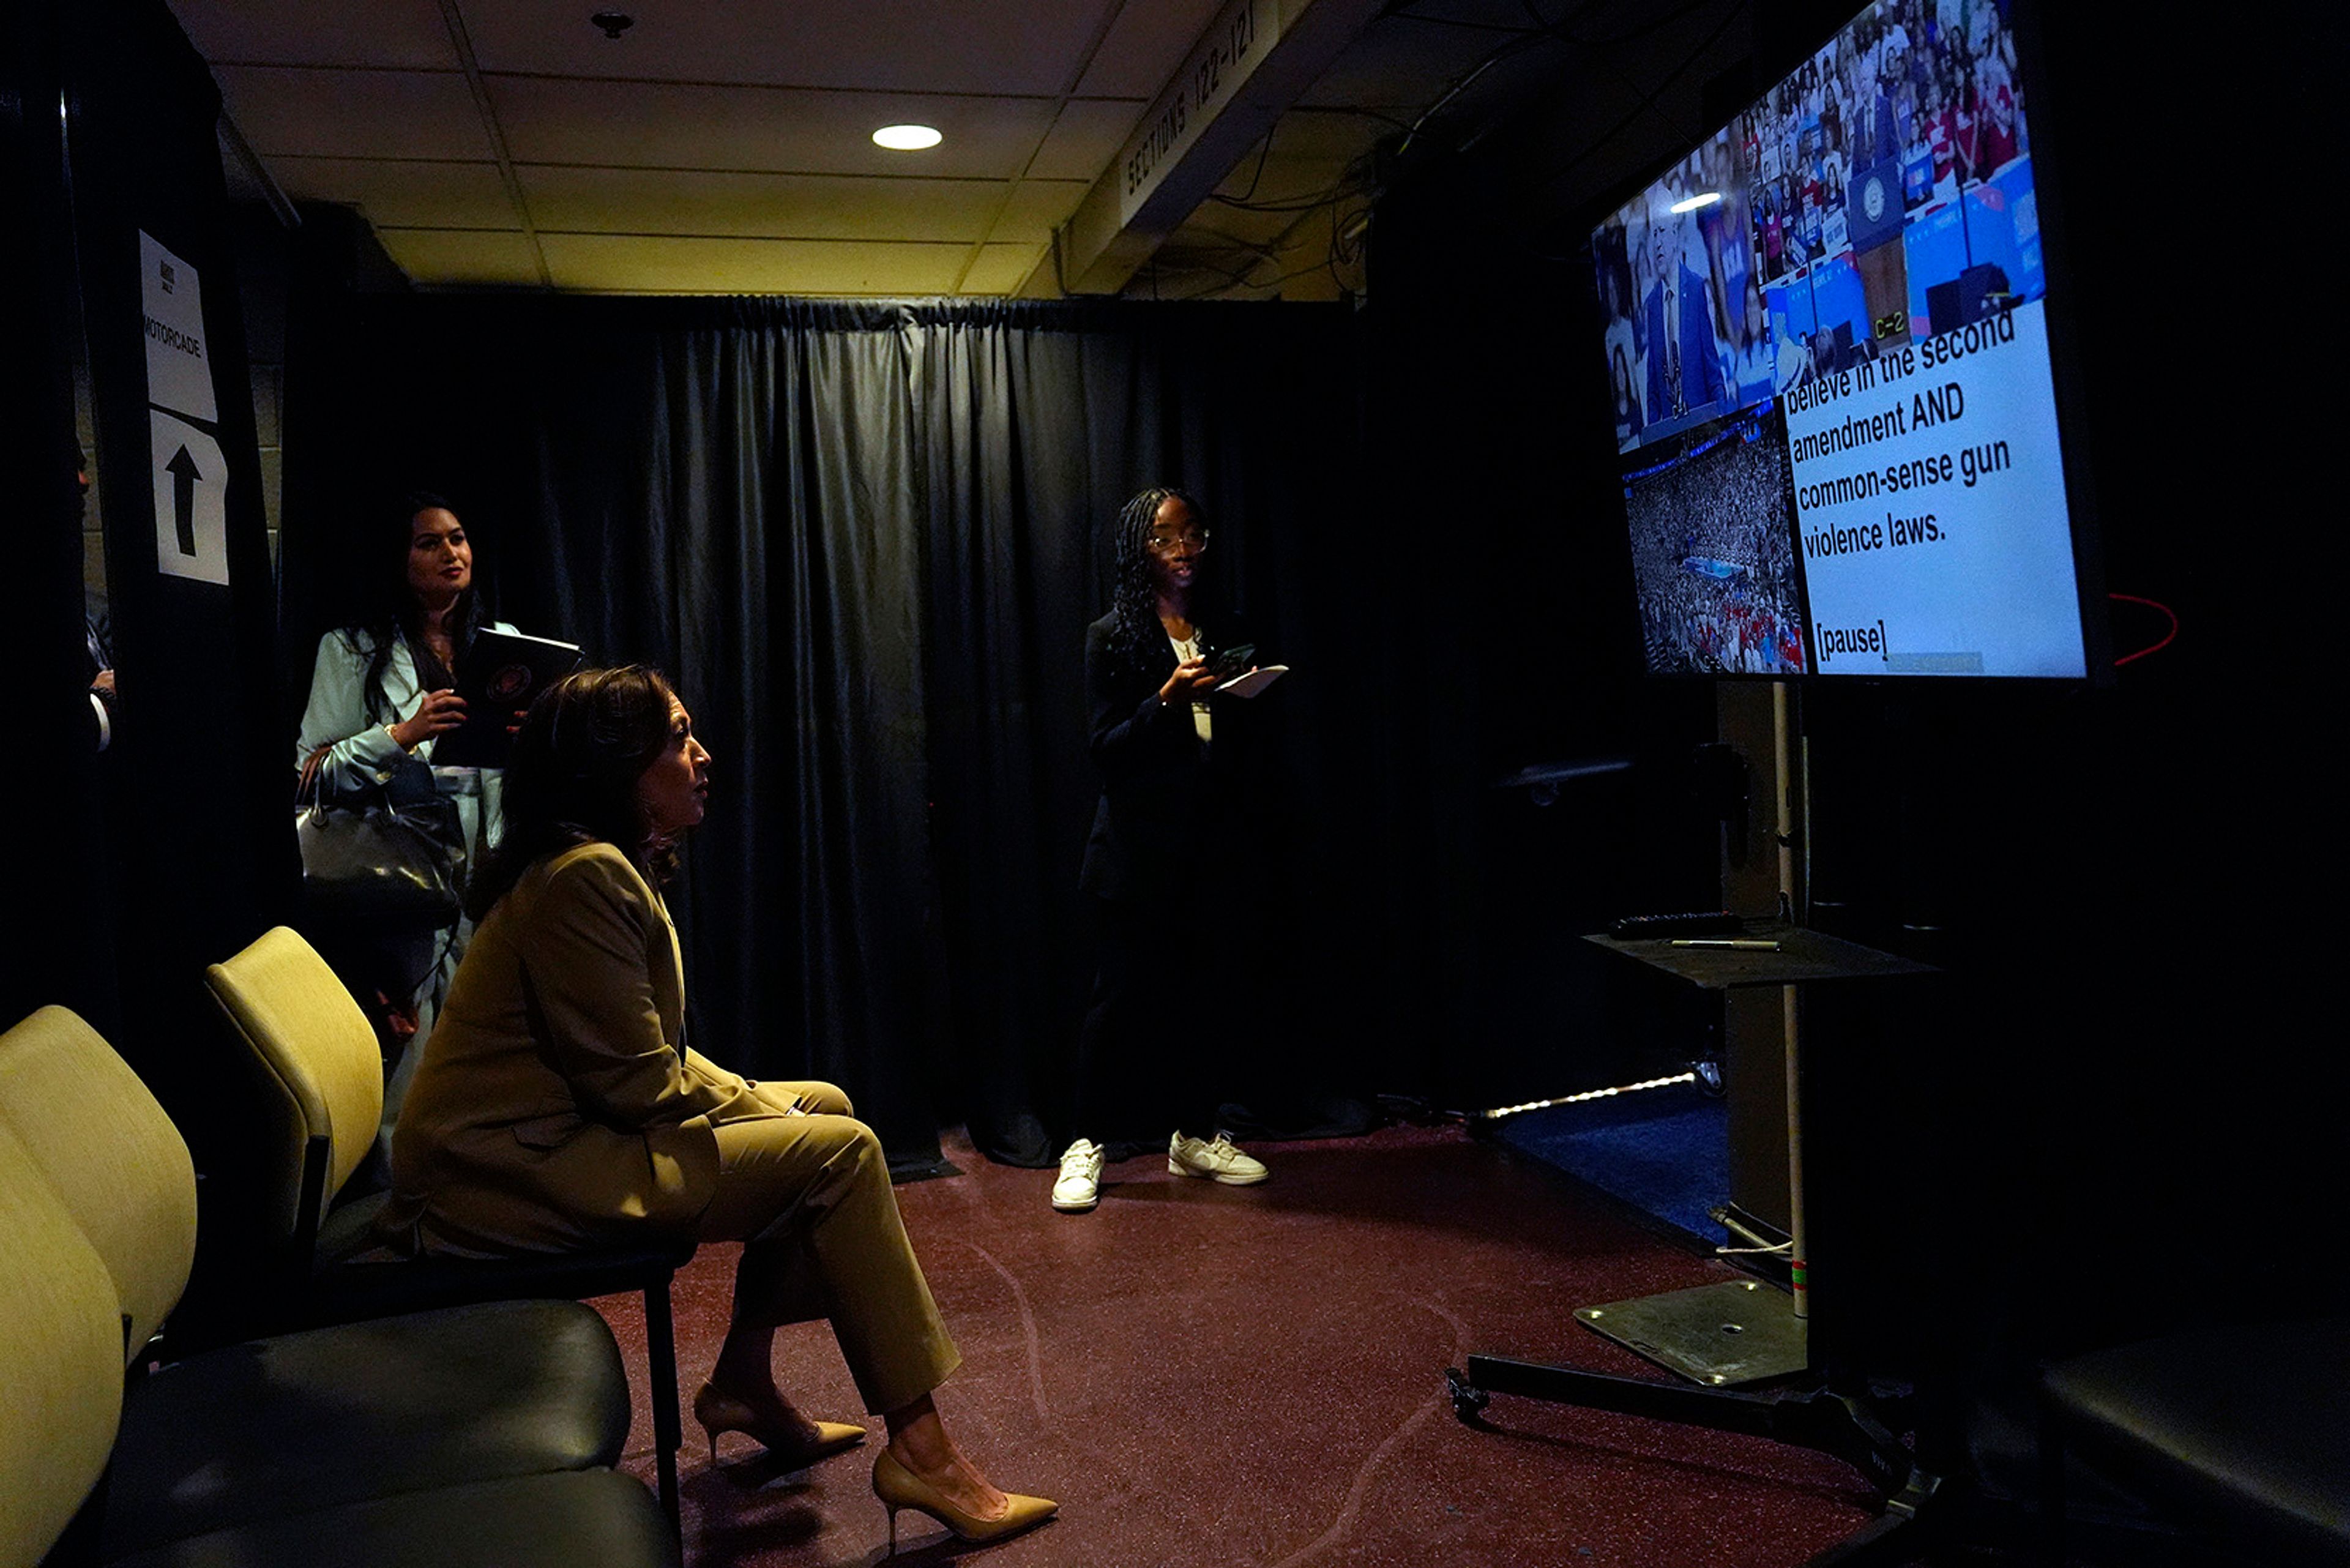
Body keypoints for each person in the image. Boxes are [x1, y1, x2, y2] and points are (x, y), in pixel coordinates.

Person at [379, 666, 1054, 1551]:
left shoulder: (595, 862)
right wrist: (751, 1107)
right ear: (618, 765)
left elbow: (647, 1058)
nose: (702, 757)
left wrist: (760, 1102)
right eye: (676, 738)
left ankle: (743, 1379)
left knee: (825, 1107)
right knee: (839, 1152)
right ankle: (925, 1452)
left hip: (555, 1139)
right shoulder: (583, 877)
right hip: (506, 1175)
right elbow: (640, 1084)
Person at [1051, 487, 1278, 1214]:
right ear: (1138, 549)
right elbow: (1105, 751)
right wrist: (1166, 701)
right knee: (1117, 1001)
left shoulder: (1221, 625)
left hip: (1209, 843)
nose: (1184, 549)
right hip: (1136, 850)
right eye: (1165, 538)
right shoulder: (1113, 636)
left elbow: (1231, 745)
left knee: (1207, 994)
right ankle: (1084, 1145)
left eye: (1193, 536)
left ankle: (1195, 1136)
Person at [295, 492, 519, 1142]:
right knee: (410, 1065)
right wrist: (401, 734)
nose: (452, 553)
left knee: (487, 1055)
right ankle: (395, 1209)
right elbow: (311, 772)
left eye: (459, 538)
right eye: (430, 543)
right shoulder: (353, 649)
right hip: (404, 887)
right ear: (400, 559)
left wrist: (533, 734)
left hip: (489, 879)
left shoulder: (501, 647)